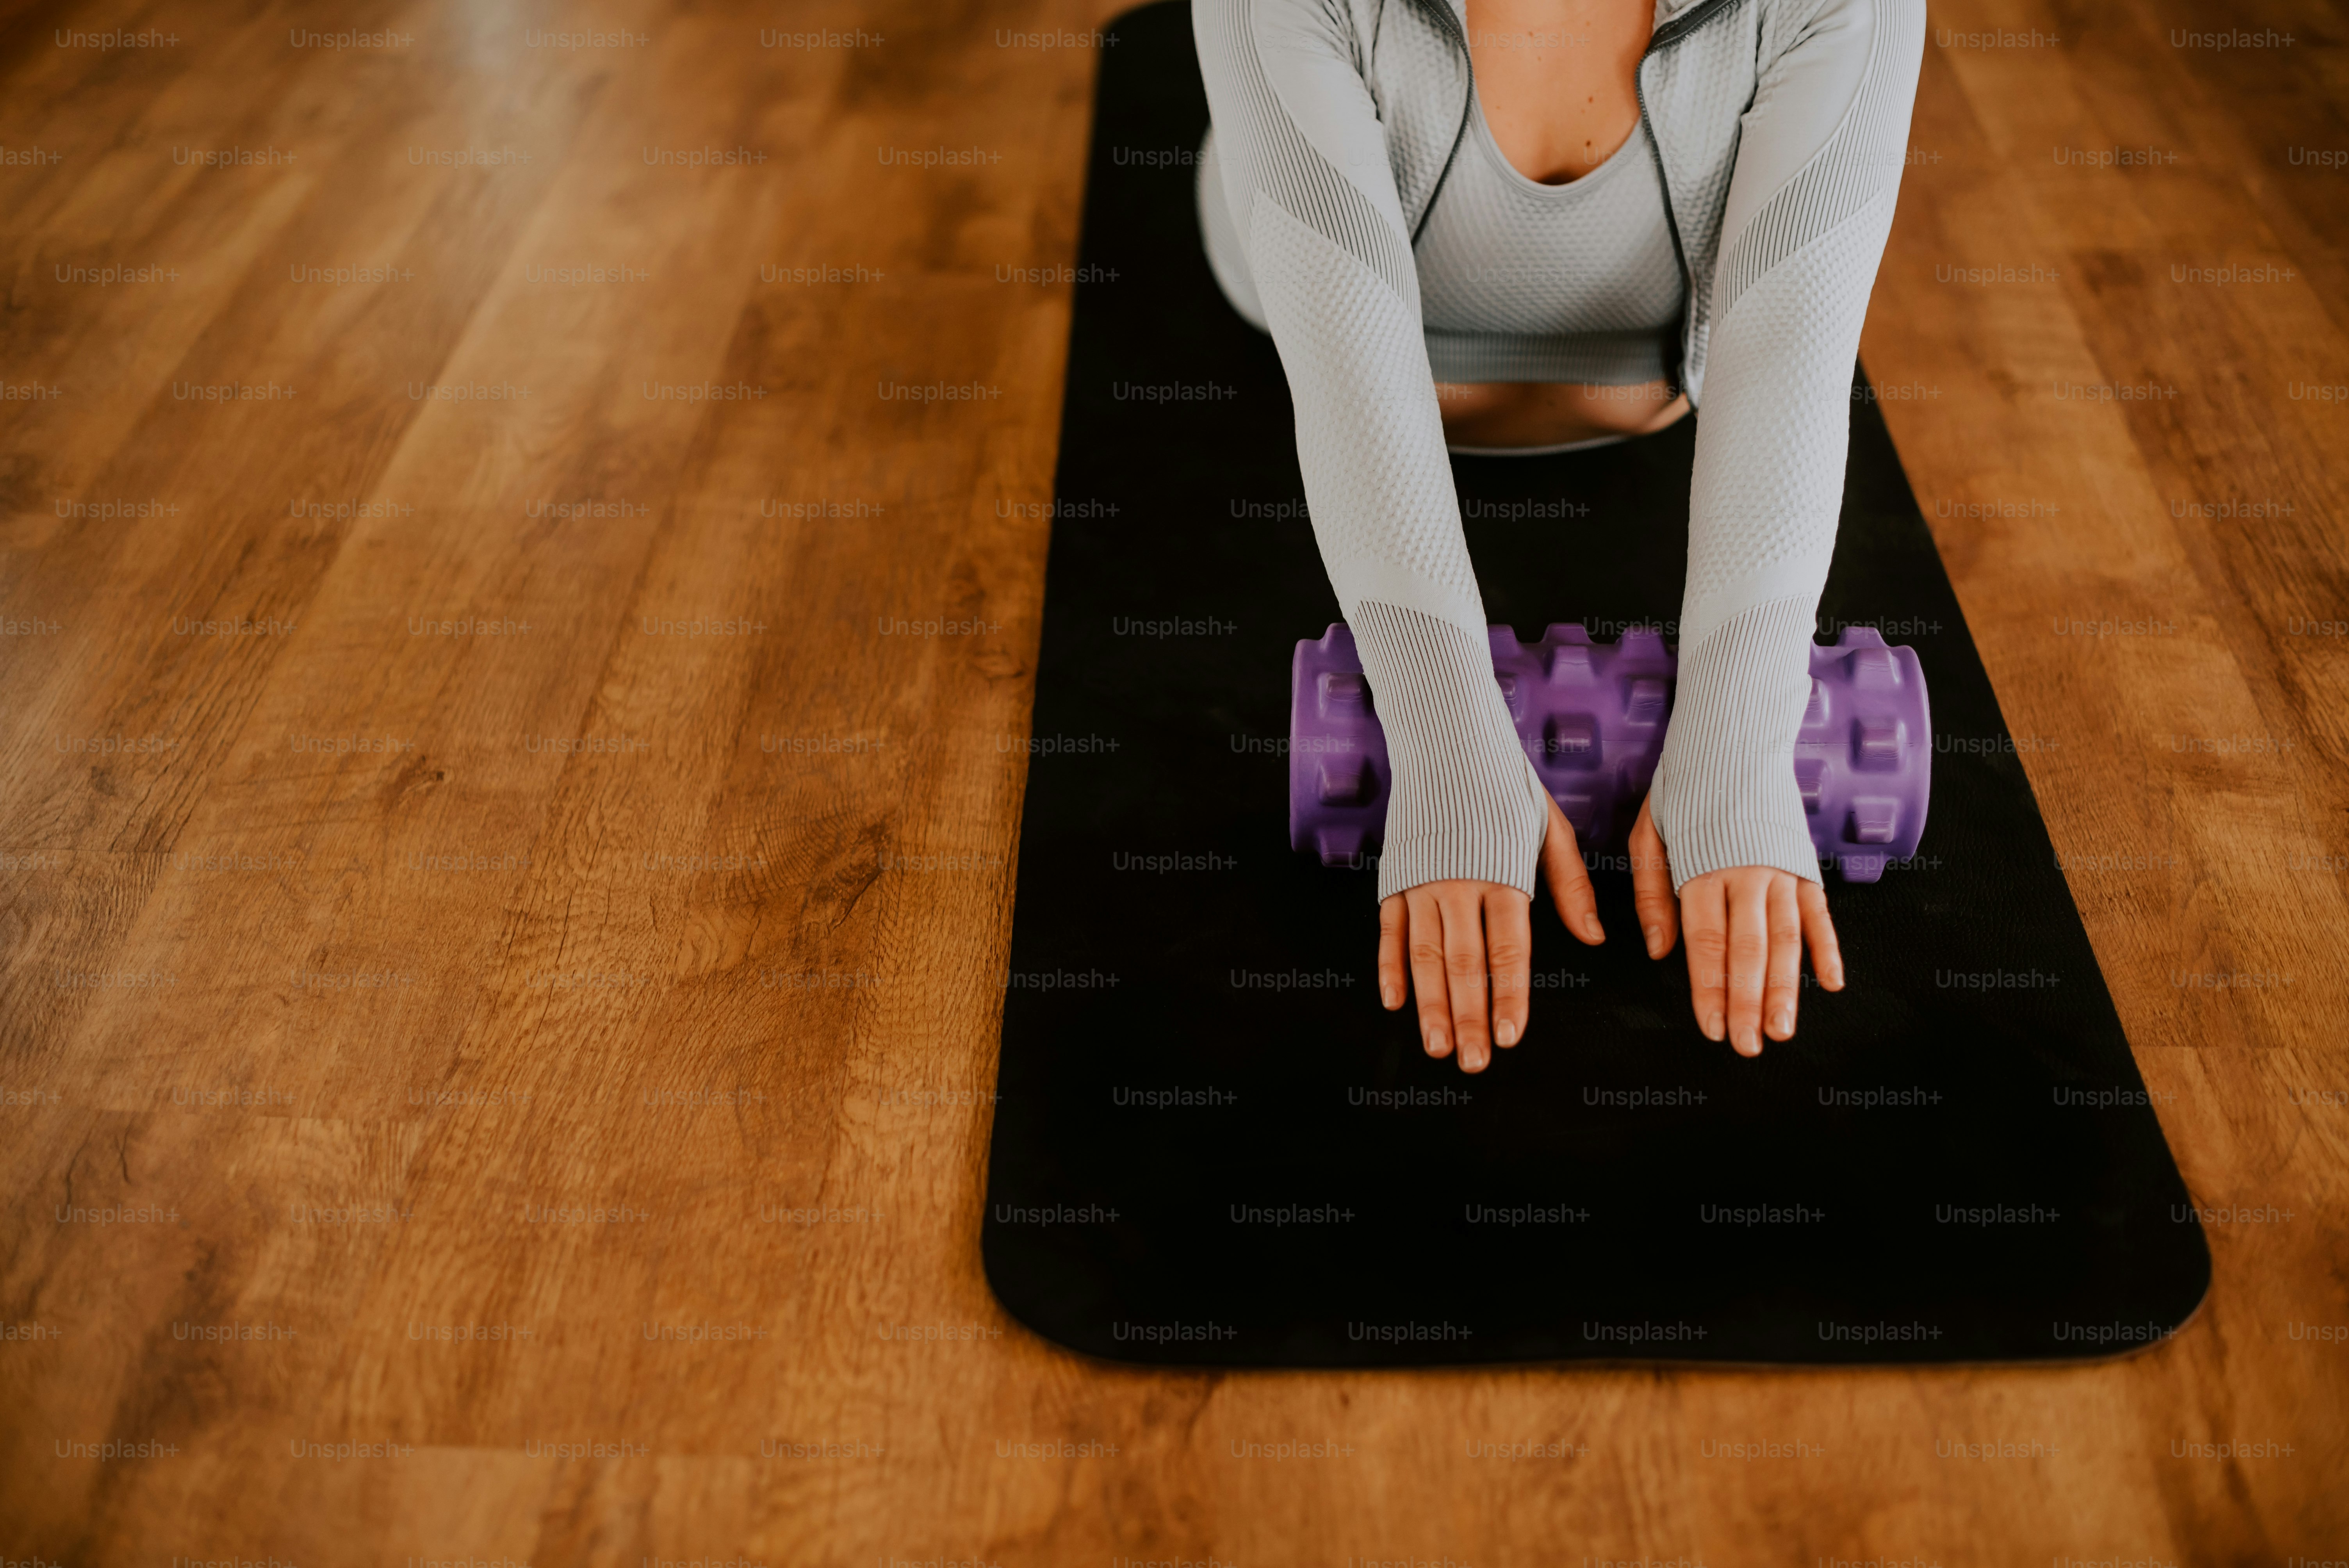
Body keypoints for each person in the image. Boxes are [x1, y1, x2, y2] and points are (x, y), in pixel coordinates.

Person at [1194, 0, 1925, 1069]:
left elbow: (1790, 357)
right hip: (1288, 287)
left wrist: (1738, 745)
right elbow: (1352, 383)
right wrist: (1445, 742)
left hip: (1660, 386)